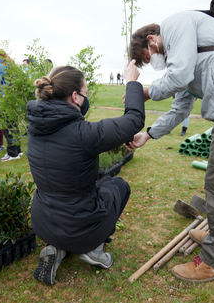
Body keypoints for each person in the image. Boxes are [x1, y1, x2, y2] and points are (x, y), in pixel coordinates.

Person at [128, 10, 214, 283]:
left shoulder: (176, 23)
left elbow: (178, 76)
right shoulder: (188, 55)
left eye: (149, 57)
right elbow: (178, 109)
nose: (155, 62)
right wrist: (148, 134)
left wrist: (145, 92)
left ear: (152, 40)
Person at [26, 60, 144, 285]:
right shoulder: (84, 135)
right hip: (82, 228)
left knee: (99, 182)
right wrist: (131, 82)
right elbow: (134, 120)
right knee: (118, 186)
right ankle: (93, 248)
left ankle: (57, 248)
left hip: (43, 223)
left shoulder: (34, 130)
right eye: (85, 93)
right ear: (75, 97)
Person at [0, 49, 22, 161]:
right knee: (13, 126)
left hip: (1, 100)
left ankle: (12, 153)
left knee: (7, 127)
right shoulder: (5, 64)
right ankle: (17, 151)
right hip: (8, 99)